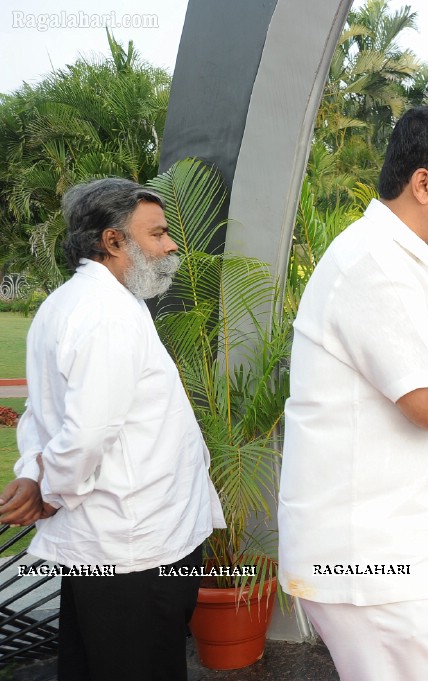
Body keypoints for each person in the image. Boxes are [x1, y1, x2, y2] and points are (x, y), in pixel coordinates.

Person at [277, 106, 428, 681]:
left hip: (388, 556)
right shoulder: (374, 265)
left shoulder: (405, 260)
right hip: (373, 563)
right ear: (423, 183)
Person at [0, 178, 225, 680]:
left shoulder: (76, 303)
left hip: (115, 545)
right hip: (132, 549)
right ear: (114, 241)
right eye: (158, 234)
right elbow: (84, 432)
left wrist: (36, 475)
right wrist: (50, 489)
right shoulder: (106, 316)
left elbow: (40, 414)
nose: (171, 247)